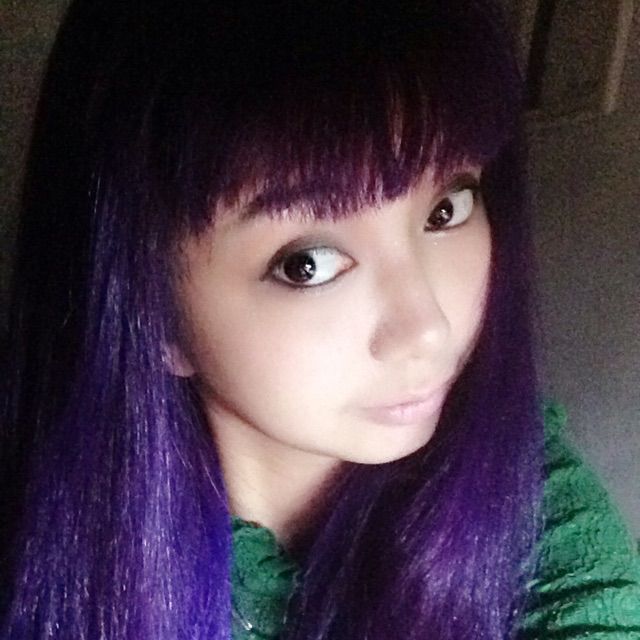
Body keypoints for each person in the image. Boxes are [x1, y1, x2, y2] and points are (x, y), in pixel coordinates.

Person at [1, 1, 639, 638]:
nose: (427, 329)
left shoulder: (526, 492)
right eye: (306, 264)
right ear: (151, 308)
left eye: (446, 209)